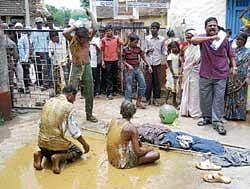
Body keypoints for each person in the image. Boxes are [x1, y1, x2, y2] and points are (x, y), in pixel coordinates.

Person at [191, 17, 237, 135]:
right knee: (205, 97)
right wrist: (211, 38)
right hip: (205, 73)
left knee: (218, 98)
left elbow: (231, 54)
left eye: (214, 25)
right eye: (210, 25)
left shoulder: (224, 39)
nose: (212, 27)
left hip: (221, 73)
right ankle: (207, 118)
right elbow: (193, 39)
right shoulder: (203, 38)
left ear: (217, 27)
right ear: (205, 28)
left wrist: (234, 67)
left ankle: (217, 122)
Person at [33, 85, 90, 174]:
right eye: (75, 97)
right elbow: (74, 132)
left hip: (41, 143)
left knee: (48, 147)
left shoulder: (49, 101)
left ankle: (40, 154)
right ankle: (58, 158)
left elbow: (40, 123)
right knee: (77, 151)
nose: (74, 100)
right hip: (56, 146)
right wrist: (85, 144)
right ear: (71, 95)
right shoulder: (69, 107)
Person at [63, 9, 98, 122]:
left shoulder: (87, 40)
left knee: (89, 91)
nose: (84, 40)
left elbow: (95, 28)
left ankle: (89, 114)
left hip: (86, 66)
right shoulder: (73, 40)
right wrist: (74, 26)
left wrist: (91, 14)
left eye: (85, 38)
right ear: (78, 37)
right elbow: (65, 33)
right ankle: (68, 115)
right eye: (82, 38)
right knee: (71, 91)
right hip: (76, 67)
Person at [106, 100, 160, 169]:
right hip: (121, 163)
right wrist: (150, 149)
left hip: (110, 158)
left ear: (121, 111)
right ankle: (137, 162)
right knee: (156, 154)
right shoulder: (131, 128)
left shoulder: (113, 121)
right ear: (133, 114)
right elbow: (138, 152)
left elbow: (115, 140)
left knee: (138, 146)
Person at [123, 34, 152, 109]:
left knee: (143, 85)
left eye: (137, 42)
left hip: (137, 69)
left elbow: (143, 57)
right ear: (130, 41)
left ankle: (138, 102)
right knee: (129, 87)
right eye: (135, 42)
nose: (136, 44)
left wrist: (149, 65)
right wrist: (128, 65)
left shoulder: (138, 49)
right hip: (128, 70)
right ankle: (128, 104)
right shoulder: (125, 49)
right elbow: (122, 60)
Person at [225, 33, 250, 120]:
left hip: (242, 77)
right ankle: (228, 114)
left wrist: (248, 77)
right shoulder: (233, 50)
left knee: (240, 97)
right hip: (231, 75)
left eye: (241, 39)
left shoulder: (248, 51)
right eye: (237, 39)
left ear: (245, 41)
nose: (238, 41)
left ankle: (239, 115)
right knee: (230, 94)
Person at [179, 29, 202, 118]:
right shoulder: (186, 48)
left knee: (195, 92)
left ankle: (195, 111)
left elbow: (200, 60)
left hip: (196, 72)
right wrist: (184, 64)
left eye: (190, 37)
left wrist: (194, 65)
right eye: (187, 37)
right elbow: (182, 57)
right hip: (187, 72)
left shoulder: (199, 48)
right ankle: (186, 110)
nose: (188, 39)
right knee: (186, 90)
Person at [144, 22, 165, 106]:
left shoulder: (162, 39)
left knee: (157, 82)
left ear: (158, 29)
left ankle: (156, 99)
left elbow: (163, 50)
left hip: (157, 63)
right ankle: (147, 99)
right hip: (149, 63)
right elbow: (144, 49)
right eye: (152, 28)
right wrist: (148, 50)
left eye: (155, 28)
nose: (153, 29)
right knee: (148, 82)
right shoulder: (147, 38)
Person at [101, 24, 123, 100]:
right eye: (107, 31)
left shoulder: (116, 38)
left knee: (114, 75)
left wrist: (128, 38)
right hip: (107, 60)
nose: (108, 32)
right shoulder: (103, 40)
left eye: (109, 30)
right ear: (105, 32)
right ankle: (109, 93)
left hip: (115, 59)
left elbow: (122, 44)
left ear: (112, 30)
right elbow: (102, 51)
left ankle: (114, 91)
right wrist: (102, 61)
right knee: (108, 77)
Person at [30, 17, 51, 89]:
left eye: (40, 23)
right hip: (37, 51)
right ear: (36, 24)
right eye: (38, 23)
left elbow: (49, 39)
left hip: (45, 51)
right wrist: (31, 52)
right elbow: (31, 42)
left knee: (45, 68)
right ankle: (39, 81)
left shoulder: (46, 30)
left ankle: (46, 82)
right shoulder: (33, 31)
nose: (39, 24)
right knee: (37, 67)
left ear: (42, 23)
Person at [15, 23, 30, 94]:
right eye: (16, 28)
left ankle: (26, 87)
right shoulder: (14, 37)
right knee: (18, 74)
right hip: (16, 58)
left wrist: (25, 58)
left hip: (24, 58)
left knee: (25, 73)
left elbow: (27, 48)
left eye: (19, 28)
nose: (18, 29)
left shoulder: (24, 37)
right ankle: (20, 87)